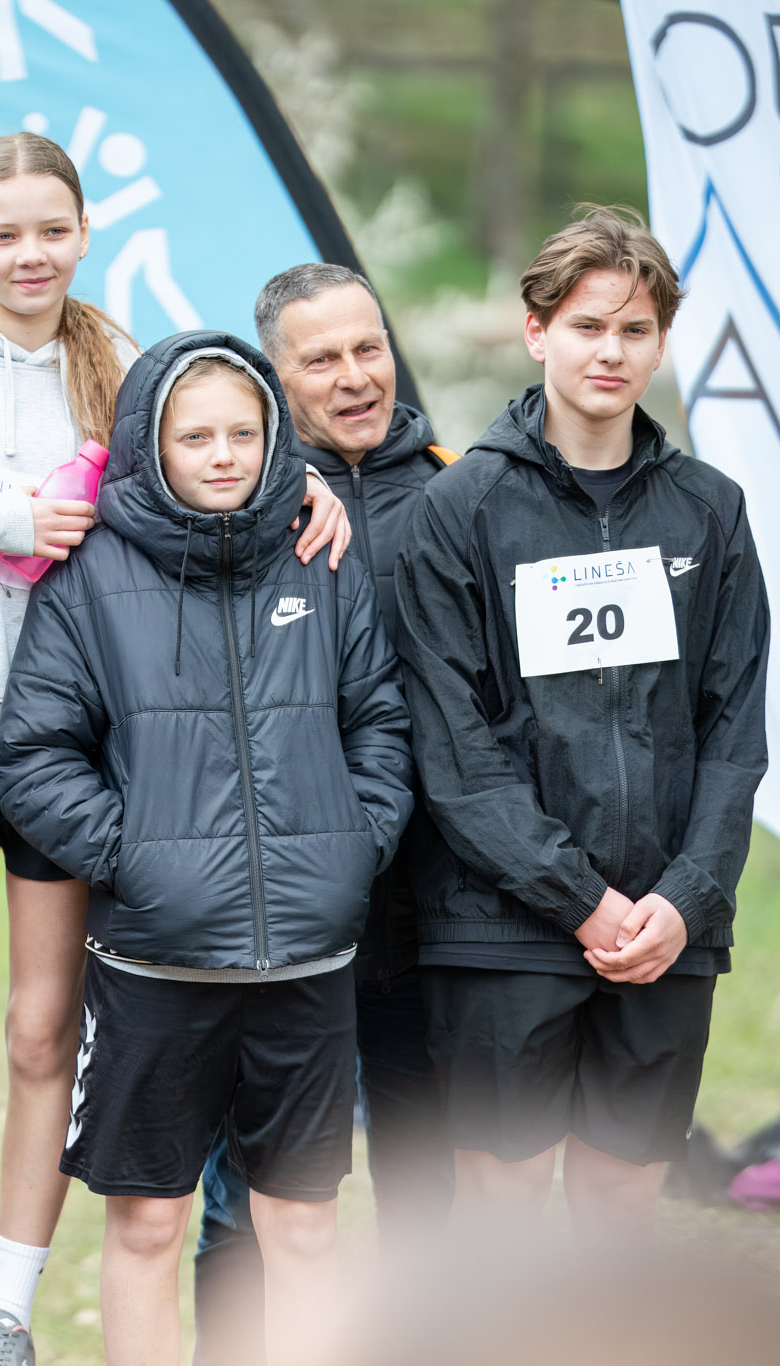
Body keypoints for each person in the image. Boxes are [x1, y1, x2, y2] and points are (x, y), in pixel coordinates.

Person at [0, 133, 350, 1366]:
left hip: (84, 748)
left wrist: (304, 487)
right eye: (4, 233)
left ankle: (4, 1307)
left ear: (81, 232)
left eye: (51, 230)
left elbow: (201, 473)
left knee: (42, 1037)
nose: (30, 254)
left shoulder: (112, 358)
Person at [0, 333, 414, 1366]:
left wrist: (349, 846)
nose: (223, 455)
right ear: (151, 442)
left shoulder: (320, 557)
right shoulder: (89, 575)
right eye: (195, 437)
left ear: (274, 439)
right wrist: (138, 859)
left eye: (242, 433)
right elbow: (36, 754)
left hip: (308, 963)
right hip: (154, 968)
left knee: (303, 1228)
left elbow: (378, 722)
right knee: (146, 1224)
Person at [394, 207, 769, 1236]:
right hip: (501, 927)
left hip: (664, 931)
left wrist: (683, 900)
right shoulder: (459, 508)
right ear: (536, 331)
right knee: (504, 1227)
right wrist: (578, 899)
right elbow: (453, 745)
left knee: (619, 1229)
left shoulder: (711, 511)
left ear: (661, 343)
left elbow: (735, 731)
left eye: (634, 330)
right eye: (586, 325)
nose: (610, 351)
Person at [190, 264, 457, 1362]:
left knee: (428, 1187)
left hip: (433, 908)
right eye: (321, 359)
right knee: (246, 1190)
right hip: (280, 915)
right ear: (273, 375)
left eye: (367, 347)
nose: (355, 377)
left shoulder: (457, 490)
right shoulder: (234, 505)